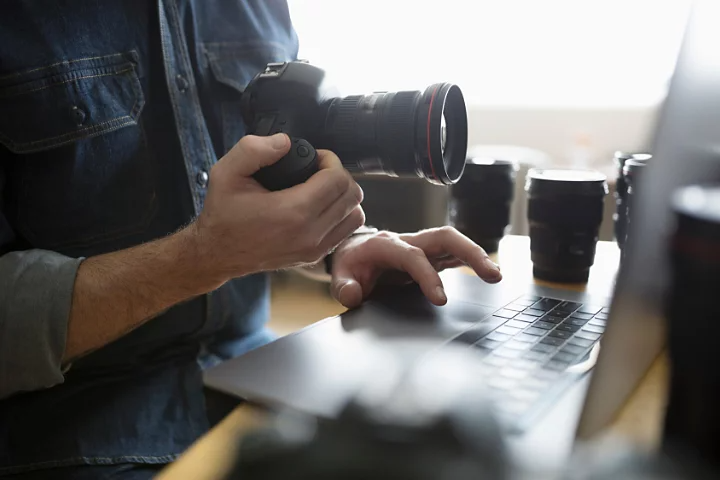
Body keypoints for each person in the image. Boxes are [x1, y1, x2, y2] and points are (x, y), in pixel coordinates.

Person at [0, 1, 502, 478]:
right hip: (79, 434)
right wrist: (200, 259)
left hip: (261, 377)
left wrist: (342, 243)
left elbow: (271, 180)